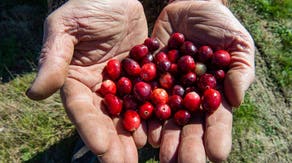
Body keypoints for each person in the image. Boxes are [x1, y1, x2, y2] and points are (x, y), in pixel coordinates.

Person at [26, 0, 255, 162]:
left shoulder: (176, 76)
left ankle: (147, 146)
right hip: (114, 27)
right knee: (101, 122)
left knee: (162, 133)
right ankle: (95, 147)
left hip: (173, 21)